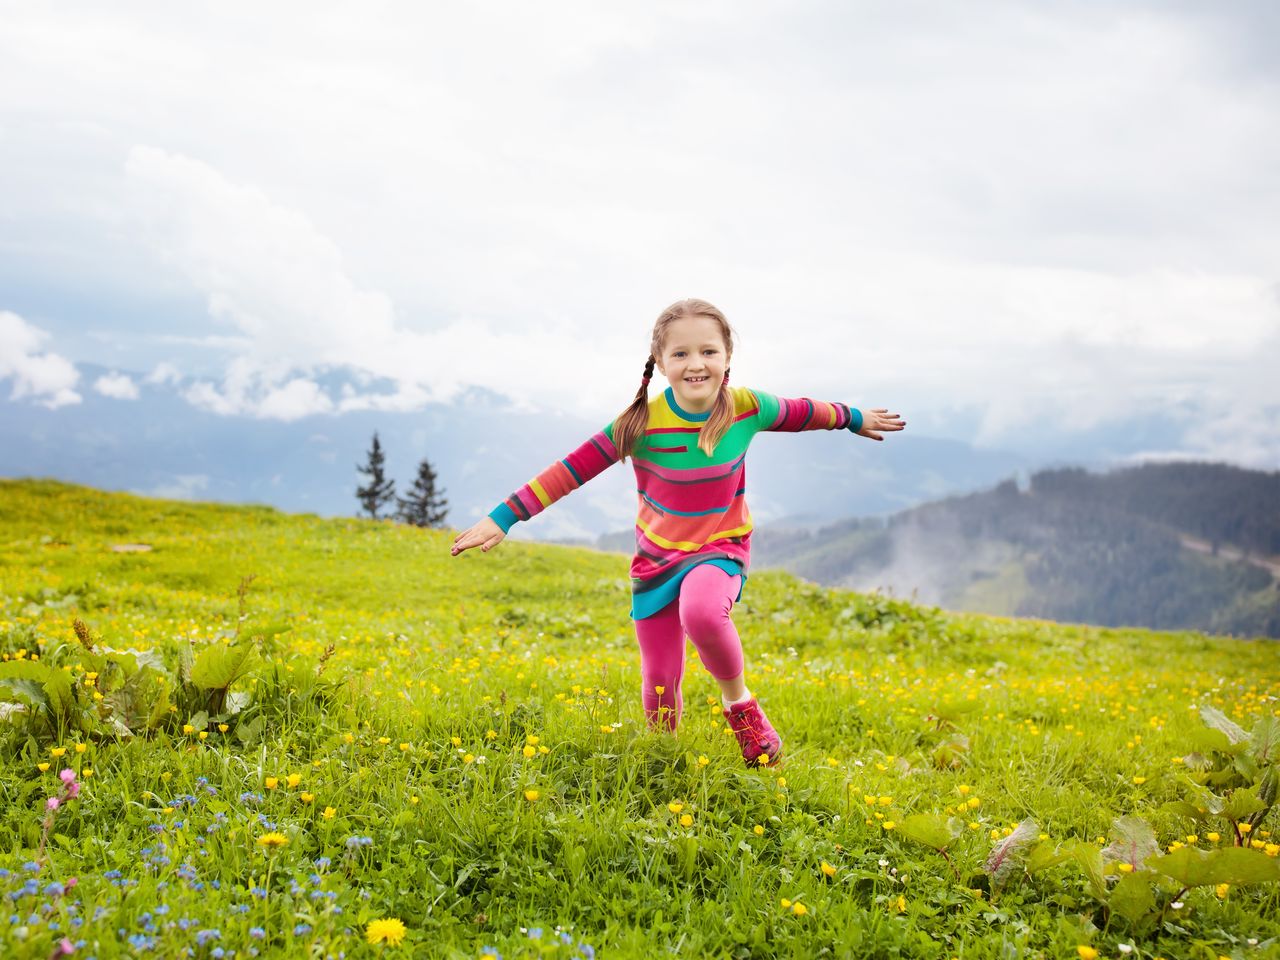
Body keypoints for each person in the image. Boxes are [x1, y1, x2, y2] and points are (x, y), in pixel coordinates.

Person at [451, 298, 905, 766]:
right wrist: (501, 518)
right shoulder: (640, 424)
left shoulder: (748, 408)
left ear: (727, 357)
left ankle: (741, 708)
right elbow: (570, 471)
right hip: (656, 561)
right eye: (681, 354)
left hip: (720, 547)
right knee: (660, 682)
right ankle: (662, 764)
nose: (696, 364)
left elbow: (805, 411)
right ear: (661, 363)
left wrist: (854, 418)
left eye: (708, 351)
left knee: (705, 613)